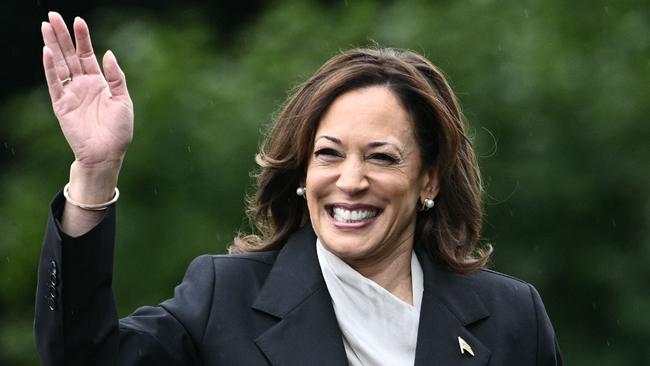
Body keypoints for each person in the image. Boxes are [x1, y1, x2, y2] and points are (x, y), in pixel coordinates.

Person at [35, 11, 563, 366]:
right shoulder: (227, 299)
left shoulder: (513, 317)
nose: (350, 182)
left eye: (381, 158)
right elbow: (83, 356)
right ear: (302, 173)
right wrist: (95, 171)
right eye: (328, 154)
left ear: (429, 178)